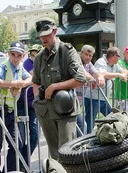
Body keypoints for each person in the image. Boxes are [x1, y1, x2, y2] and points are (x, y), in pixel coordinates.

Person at [31, 18, 86, 159]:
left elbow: (80, 79)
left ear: (54, 31)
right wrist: (37, 100)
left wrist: (55, 86)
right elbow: (35, 81)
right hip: (45, 111)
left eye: (47, 34)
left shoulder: (67, 51)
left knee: (67, 152)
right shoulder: (38, 57)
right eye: (41, 36)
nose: (43, 38)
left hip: (64, 110)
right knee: (54, 152)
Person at [0, 42, 32, 173]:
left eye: (19, 55)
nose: (15, 58)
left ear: (23, 56)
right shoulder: (3, 66)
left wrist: (22, 84)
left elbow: (31, 78)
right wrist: (13, 84)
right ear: (8, 54)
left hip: (10, 111)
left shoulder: (20, 68)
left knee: (17, 144)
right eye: (13, 54)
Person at [84, 46, 128, 135]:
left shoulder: (114, 64)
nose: (120, 59)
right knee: (90, 122)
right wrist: (119, 75)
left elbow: (123, 71)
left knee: (112, 117)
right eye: (119, 56)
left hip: (104, 99)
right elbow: (103, 74)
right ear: (114, 56)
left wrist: (123, 73)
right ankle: (87, 141)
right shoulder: (101, 62)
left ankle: (111, 136)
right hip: (93, 98)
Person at [17, 44, 42, 162]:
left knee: (35, 136)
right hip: (21, 104)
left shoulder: (42, 63)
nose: (34, 56)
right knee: (20, 137)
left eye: (37, 53)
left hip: (34, 106)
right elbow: (37, 78)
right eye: (32, 54)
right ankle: (19, 163)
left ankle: (23, 161)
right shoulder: (27, 63)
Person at [75, 45, 105, 136]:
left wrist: (100, 77)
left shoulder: (88, 64)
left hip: (78, 100)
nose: (88, 57)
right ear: (81, 53)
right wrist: (92, 79)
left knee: (77, 127)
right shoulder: (75, 59)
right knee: (81, 126)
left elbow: (96, 72)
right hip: (70, 99)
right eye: (86, 54)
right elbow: (82, 72)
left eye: (90, 55)